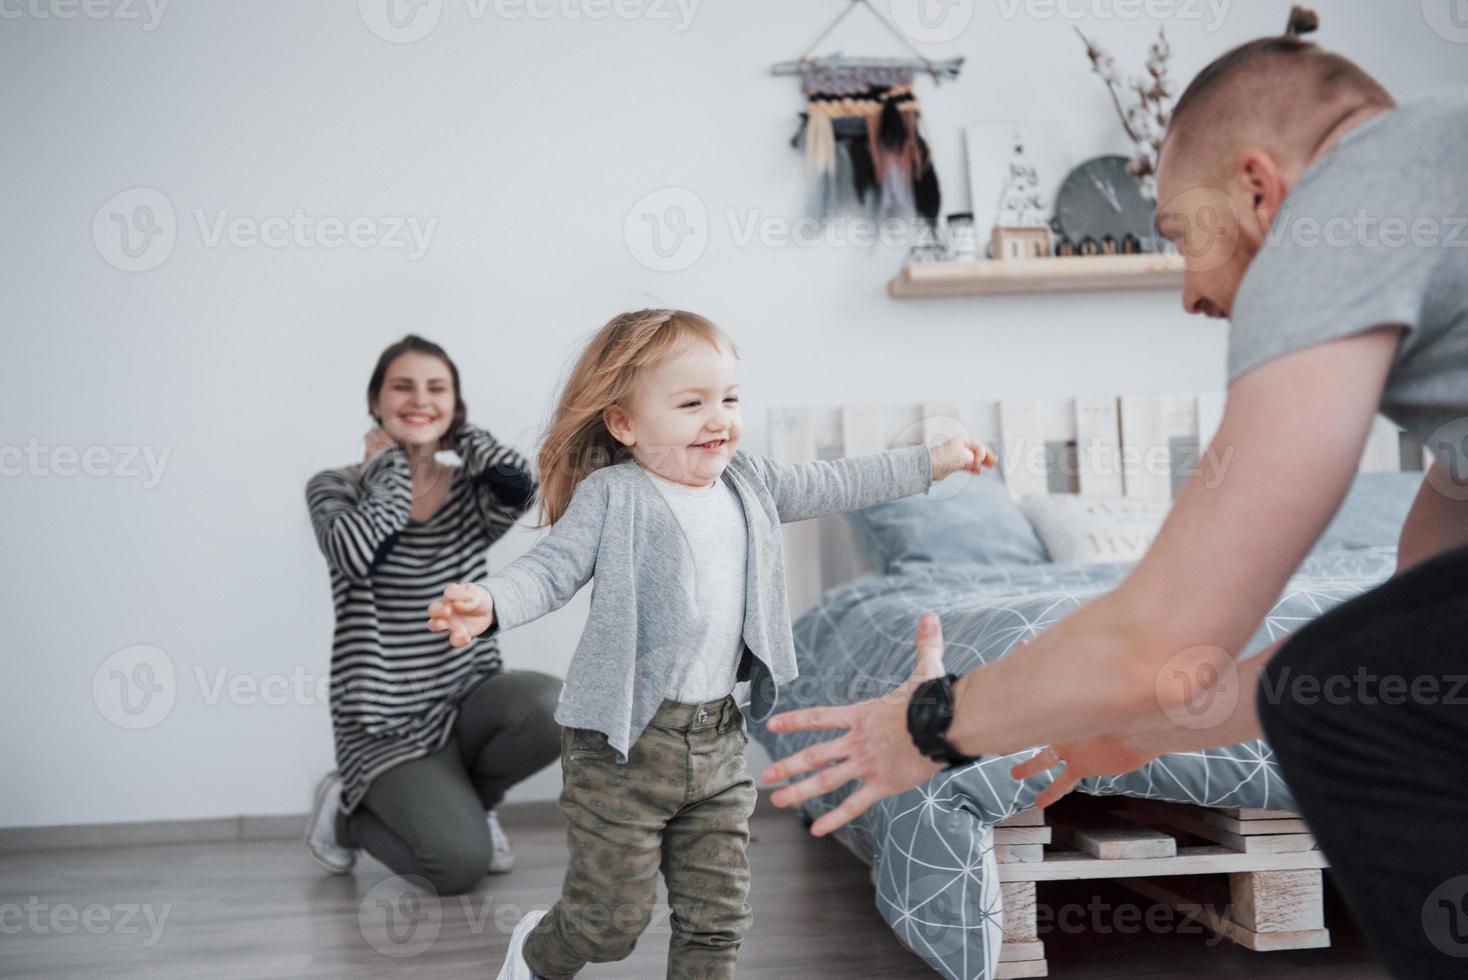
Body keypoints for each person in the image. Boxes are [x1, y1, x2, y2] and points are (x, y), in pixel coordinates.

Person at [760, 13, 1468, 978]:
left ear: (1262, 190)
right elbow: (1373, 662)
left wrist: (929, 723)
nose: (1189, 293)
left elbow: (1163, 636)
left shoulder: (1341, 207)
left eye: (1181, 234)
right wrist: (1127, 732)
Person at [426, 308, 996, 980]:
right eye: (692, 403)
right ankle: (537, 951)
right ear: (625, 424)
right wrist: (490, 604)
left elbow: (842, 480)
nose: (719, 418)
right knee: (609, 923)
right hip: (621, 747)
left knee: (717, 919)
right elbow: (548, 573)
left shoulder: (748, 483)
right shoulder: (614, 496)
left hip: (718, 737)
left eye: (729, 398)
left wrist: (932, 462)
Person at [303, 334, 562, 896]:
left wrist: (459, 433)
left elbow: (525, 488)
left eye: (436, 389)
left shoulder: (471, 494)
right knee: (457, 868)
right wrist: (391, 466)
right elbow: (357, 552)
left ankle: (473, 803)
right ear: (376, 401)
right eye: (403, 387)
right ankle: (346, 810)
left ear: (455, 407)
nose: (419, 398)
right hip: (383, 721)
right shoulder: (335, 487)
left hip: (465, 696)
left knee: (553, 705)